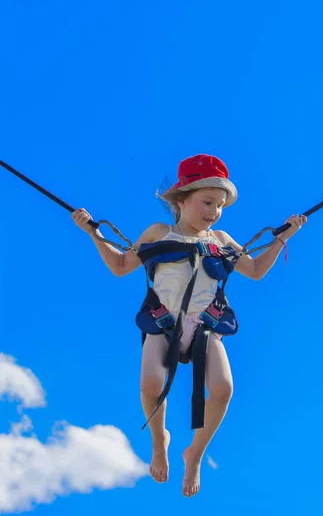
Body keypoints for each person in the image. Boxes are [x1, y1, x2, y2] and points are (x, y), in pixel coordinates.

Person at [71, 154, 307, 498]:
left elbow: (254, 270)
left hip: (205, 326)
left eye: (220, 205)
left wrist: (283, 237)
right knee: (151, 382)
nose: (214, 211)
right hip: (163, 321)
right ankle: (159, 439)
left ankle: (194, 453)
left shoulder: (222, 239)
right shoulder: (158, 232)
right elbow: (121, 265)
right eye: (207, 202)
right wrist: (92, 232)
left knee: (224, 388)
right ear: (181, 201)